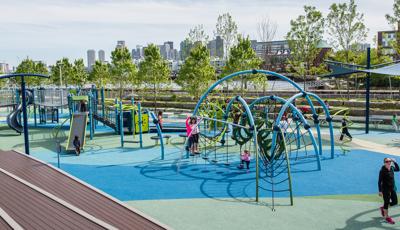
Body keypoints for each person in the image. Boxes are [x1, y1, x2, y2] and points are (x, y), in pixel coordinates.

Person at [378, 158, 399, 224]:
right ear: (384, 162)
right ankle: (386, 217)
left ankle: (383, 208)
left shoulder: (392, 168)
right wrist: (380, 191)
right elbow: (379, 181)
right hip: (385, 189)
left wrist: (395, 162)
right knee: (386, 202)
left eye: (390, 161)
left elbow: (398, 169)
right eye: (387, 161)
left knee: (395, 202)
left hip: (392, 188)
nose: (388, 162)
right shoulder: (382, 170)